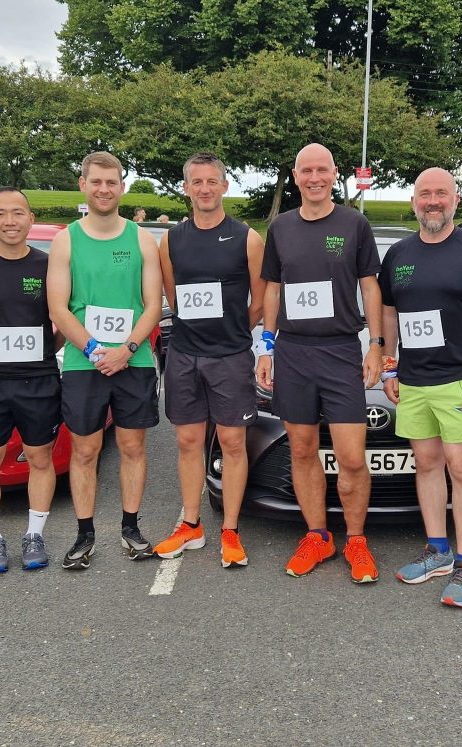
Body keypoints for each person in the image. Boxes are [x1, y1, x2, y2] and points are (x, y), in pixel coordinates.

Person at [256, 143, 384, 583]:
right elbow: (272, 288)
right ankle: (317, 535)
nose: (314, 178)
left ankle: (356, 540)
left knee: (351, 456)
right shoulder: (282, 227)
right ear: (295, 176)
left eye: (322, 170)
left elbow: (370, 287)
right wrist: (266, 346)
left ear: (335, 175)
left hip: (340, 350)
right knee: (303, 449)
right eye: (306, 171)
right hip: (293, 352)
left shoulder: (354, 223)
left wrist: (376, 344)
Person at [380, 167, 462, 608]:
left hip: (460, 381)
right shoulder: (397, 254)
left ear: (455, 199)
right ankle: (438, 550)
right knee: (427, 464)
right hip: (414, 381)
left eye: (441, 194)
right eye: (424, 194)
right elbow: (390, 316)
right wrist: (389, 367)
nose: (432, 201)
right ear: (414, 201)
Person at [47, 151, 163, 569]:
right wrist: (97, 351)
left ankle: (131, 528)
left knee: (132, 445)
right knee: (84, 450)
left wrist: (127, 349)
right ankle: (84, 534)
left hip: (135, 359)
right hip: (84, 363)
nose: (103, 189)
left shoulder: (141, 239)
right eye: (96, 182)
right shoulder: (66, 240)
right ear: (83, 185)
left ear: (122, 187)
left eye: (111, 182)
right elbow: (59, 308)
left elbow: (154, 304)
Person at [154, 152, 265, 567]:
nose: (204, 189)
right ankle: (191, 525)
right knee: (187, 441)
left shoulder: (247, 238)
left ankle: (230, 530)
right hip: (184, 354)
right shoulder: (172, 240)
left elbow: (260, 298)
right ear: (186, 188)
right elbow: (172, 295)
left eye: (211, 181)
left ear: (224, 186)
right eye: (196, 182)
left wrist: (236, 329)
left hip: (230, 356)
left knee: (233, 442)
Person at [0, 187, 62, 573]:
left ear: (30, 218)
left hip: (38, 379)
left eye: (18, 212)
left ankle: (34, 534)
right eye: (1, 213)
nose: (10, 221)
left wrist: (43, 350)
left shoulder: (48, 265)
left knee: (40, 458)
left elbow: (60, 320)